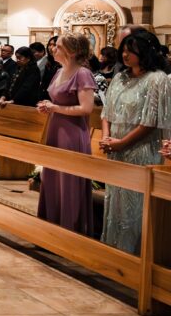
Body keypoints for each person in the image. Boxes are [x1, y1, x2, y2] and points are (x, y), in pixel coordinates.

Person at [100, 31, 171, 254]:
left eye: (131, 51)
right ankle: (114, 252)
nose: (125, 55)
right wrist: (106, 137)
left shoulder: (157, 79)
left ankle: (133, 256)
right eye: (123, 50)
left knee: (135, 206)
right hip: (115, 148)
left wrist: (121, 143)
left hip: (141, 150)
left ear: (146, 52)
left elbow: (150, 122)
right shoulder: (120, 77)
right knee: (116, 203)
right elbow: (106, 112)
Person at [36, 33, 97, 236]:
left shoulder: (82, 73)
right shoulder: (59, 71)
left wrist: (55, 108)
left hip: (72, 133)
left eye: (58, 46)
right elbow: (57, 101)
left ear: (71, 51)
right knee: (53, 178)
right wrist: (47, 106)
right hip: (56, 128)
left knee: (68, 180)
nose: (53, 49)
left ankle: (69, 231)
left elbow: (86, 108)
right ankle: (50, 228)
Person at [40, 36, 61, 100]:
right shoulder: (49, 62)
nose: (51, 47)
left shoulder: (62, 63)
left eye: (54, 45)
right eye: (49, 44)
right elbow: (44, 82)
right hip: (45, 96)